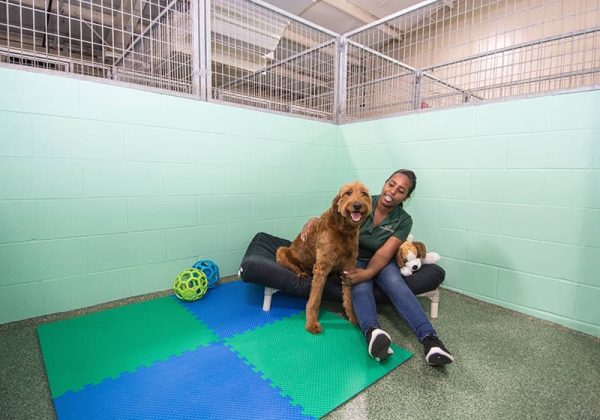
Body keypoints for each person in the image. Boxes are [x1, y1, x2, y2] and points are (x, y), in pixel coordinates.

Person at [303, 169, 454, 366]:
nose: (392, 192)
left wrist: (366, 273)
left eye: (401, 190)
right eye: (391, 184)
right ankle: (373, 333)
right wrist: (314, 220)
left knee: (396, 285)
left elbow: (384, 254)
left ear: (406, 197)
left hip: (383, 261)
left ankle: (431, 340)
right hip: (353, 257)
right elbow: (333, 216)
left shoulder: (403, 220)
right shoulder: (362, 200)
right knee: (361, 288)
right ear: (385, 183)